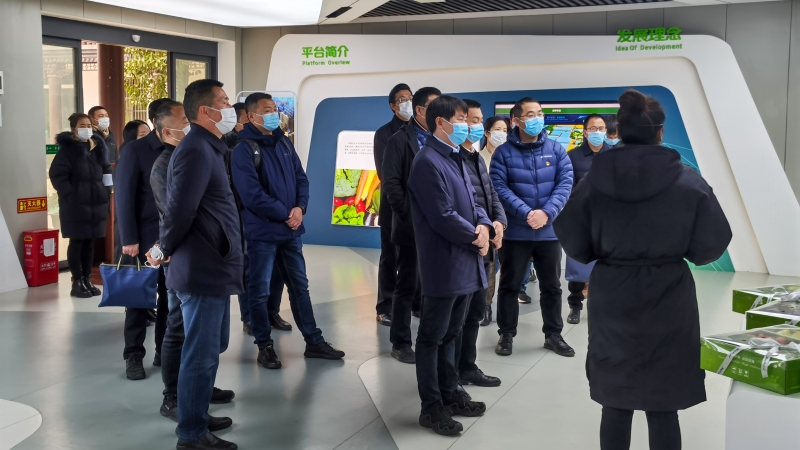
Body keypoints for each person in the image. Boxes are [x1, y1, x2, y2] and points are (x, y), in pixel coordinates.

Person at [554, 89, 732, 450]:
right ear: (660, 133)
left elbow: (573, 240)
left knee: (615, 400)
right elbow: (712, 244)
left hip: (612, 292)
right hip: (669, 293)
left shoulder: (594, 180)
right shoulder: (687, 180)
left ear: (619, 131)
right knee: (664, 403)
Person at [156, 79, 243, 450]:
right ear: (206, 111)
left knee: (211, 348)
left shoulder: (210, 147)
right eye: (224, 101)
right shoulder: (195, 150)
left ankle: (197, 413)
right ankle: (191, 434)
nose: (230, 106)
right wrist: (164, 247)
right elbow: (179, 210)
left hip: (214, 262)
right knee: (200, 353)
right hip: (201, 266)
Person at [231, 92, 344, 371]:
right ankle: (265, 346)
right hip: (262, 233)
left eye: (274, 109)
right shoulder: (243, 149)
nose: (274, 114)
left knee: (299, 287)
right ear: (251, 116)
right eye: (267, 110)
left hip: (290, 231)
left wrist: (300, 208)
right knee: (259, 292)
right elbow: (251, 194)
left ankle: (314, 341)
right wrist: (286, 213)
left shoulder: (283, 142)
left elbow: (301, 179)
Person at [408, 95, 491, 436]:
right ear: (440, 123)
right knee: (432, 336)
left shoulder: (456, 156)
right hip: (444, 262)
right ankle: (431, 407)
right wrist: (476, 236)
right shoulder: (427, 161)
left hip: (467, 260)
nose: (466, 126)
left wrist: (484, 225)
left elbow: (474, 201)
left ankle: (451, 392)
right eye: (459, 119)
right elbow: (442, 215)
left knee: (453, 333)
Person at [490, 97, 574, 358]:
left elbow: (565, 183)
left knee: (552, 287)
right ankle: (506, 334)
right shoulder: (503, 153)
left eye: (539, 113)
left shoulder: (556, 149)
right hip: (516, 232)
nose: (537, 119)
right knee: (509, 285)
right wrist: (527, 213)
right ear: (516, 120)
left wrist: (546, 212)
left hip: (549, 232)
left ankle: (553, 335)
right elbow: (499, 188)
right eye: (530, 114)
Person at [382, 86, 441, 364]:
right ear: (420, 110)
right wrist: (409, 216)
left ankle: (430, 341)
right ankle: (401, 342)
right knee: (406, 286)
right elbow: (391, 184)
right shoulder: (398, 140)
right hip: (412, 227)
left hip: (440, 226)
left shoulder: (441, 138)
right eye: (435, 107)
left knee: (434, 287)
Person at [115, 97, 172, 381]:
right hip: (142, 238)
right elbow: (124, 196)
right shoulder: (135, 150)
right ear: (160, 120)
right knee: (138, 299)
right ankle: (134, 354)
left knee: (169, 299)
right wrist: (129, 238)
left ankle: (164, 349)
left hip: (171, 238)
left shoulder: (180, 148)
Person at [455, 99, 505, 387]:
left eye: (478, 120)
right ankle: (451, 374)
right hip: (467, 246)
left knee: (475, 313)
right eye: (470, 121)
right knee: (458, 318)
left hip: (486, 247)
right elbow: (461, 206)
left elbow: (491, 195)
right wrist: (482, 229)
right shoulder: (451, 160)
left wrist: (499, 222)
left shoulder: (477, 157)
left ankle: (468, 367)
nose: (474, 126)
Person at [49, 113, 111, 299]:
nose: (87, 129)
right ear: (74, 129)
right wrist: (71, 194)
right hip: (75, 205)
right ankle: (77, 280)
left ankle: (87, 278)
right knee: (77, 241)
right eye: (82, 126)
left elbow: (106, 170)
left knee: (90, 242)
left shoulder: (97, 147)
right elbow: (57, 175)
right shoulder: (68, 150)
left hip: (96, 203)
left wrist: (107, 191)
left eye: (89, 125)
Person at [564, 114, 611, 325]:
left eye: (601, 128)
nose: (597, 132)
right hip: (581, 220)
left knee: (607, 267)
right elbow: (567, 188)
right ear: (585, 132)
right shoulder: (573, 157)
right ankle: (575, 306)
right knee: (579, 266)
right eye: (593, 129)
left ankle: (603, 307)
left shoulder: (615, 155)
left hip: (609, 221)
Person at [373, 83, 413, 327]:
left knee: (416, 257)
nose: (407, 103)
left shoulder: (420, 131)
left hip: (419, 206)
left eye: (410, 98)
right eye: (402, 100)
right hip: (393, 204)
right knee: (390, 256)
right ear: (392, 106)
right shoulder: (384, 134)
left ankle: (416, 302)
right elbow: (384, 174)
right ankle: (385, 306)